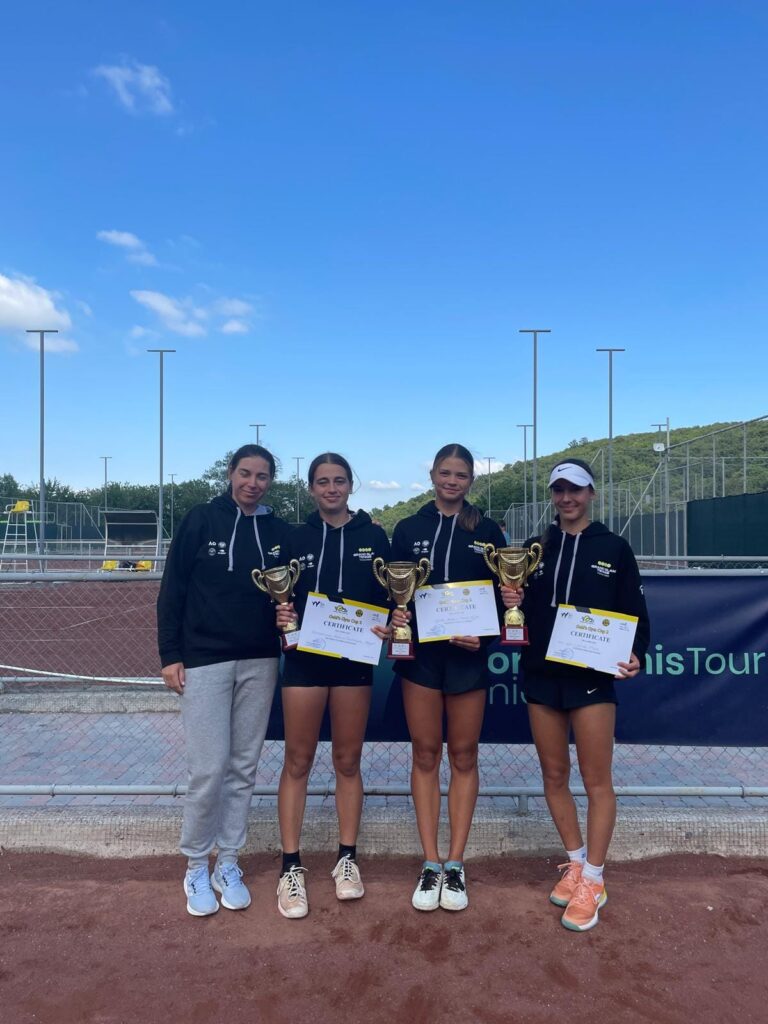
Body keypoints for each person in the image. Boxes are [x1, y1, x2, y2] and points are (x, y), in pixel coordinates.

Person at [501, 458, 649, 932]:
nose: (567, 498)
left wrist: (637, 653)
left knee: (596, 779)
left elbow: (636, 614)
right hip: (541, 676)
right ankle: (577, 863)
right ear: (552, 494)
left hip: (592, 678)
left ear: (591, 494)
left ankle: (596, 881)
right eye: (559, 490)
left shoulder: (614, 547)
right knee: (554, 774)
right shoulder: (535, 548)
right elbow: (518, 607)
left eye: (576, 489)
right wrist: (512, 602)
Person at [157, 444, 293, 917]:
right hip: (204, 661)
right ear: (231, 473)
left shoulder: (277, 531)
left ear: (271, 481)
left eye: (262, 476)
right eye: (245, 473)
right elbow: (173, 588)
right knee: (207, 769)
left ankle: (228, 861)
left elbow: (296, 590)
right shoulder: (201, 519)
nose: (253, 483)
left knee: (243, 767)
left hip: (260, 660)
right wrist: (170, 655)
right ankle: (196, 864)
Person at [390, 443, 506, 912]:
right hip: (420, 659)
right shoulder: (408, 528)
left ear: (470, 480)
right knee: (424, 754)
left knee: (463, 755)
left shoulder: (488, 530)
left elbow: (505, 597)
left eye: (460, 475)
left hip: (467, 661)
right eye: (445, 472)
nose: (452, 481)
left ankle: (456, 863)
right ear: (432, 475)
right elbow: (393, 593)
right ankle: (430, 861)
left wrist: (486, 637)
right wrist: (396, 618)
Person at [274, 453, 391, 919]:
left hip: (353, 662)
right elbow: (278, 596)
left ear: (350, 486)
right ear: (311, 488)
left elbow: (390, 596)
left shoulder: (373, 537)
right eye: (322, 482)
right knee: (297, 760)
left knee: (347, 760)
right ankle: (290, 866)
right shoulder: (294, 537)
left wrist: (392, 620)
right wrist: (281, 613)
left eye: (339, 481)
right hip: (304, 662)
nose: (331, 489)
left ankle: (347, 859)